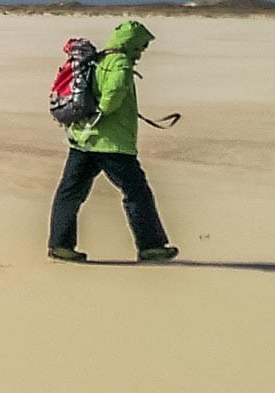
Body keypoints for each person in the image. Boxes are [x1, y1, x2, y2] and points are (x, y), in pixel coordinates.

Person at [48, 20, 178, 263]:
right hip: (111, 144)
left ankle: (60, 245)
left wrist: (91, 120)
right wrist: (103, 112)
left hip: (83, 140)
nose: (141, 52)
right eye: (140, 47)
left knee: (70, 192)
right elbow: (114, 92)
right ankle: (151, 246)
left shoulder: (100, 59)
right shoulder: (120, 63)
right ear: (130, 44)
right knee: (137, 192)